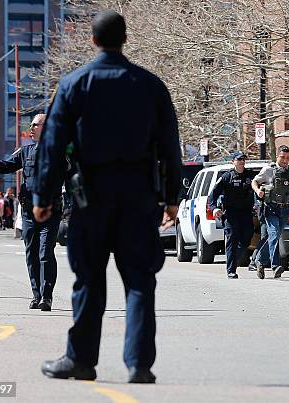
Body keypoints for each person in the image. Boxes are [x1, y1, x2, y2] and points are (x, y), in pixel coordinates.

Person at [32, 11, 181, 383]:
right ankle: (139, 365)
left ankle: (81, 359)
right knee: (140, 280)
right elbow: (170, 146)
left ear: (93, 40)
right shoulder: (150, 85)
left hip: (91, 195)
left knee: (89, 278)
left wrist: (44, 195)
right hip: (138, 194)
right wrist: (171, 197)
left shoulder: (74, 84)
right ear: (125, 39)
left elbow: (52, 145)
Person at [0, 113, 61, 312]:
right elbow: (5, 167)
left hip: (50, 210)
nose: (30, 128)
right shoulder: (26, 151)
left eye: (34, 124)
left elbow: (72, 177)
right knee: (32, 254)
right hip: (29, 211)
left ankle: (47, 296)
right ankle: (37, 295)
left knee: (45, 252)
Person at [251, 145, 289, 279]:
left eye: (287, 158)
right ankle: (275, 266)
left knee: (274, 237)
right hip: (270, 208)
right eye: (282, 157)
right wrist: (258, 191)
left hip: (285, 209)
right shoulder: (268, 170)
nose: (285, 160)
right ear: (277, 156)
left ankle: (259, 260)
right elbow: (255, 181)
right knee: (274, 234)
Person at [208, 151, 256, 279]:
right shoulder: (226, 177)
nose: (241, 161)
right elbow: (213, 195)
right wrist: (214, 208)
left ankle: (236, 255)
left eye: (243, 159)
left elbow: (260, 187)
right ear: (233, 161)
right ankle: (231, 270)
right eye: (239, 159)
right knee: (232, 240)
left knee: (247, 237)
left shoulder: (251, 176)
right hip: (230, 214)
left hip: (246, 212)